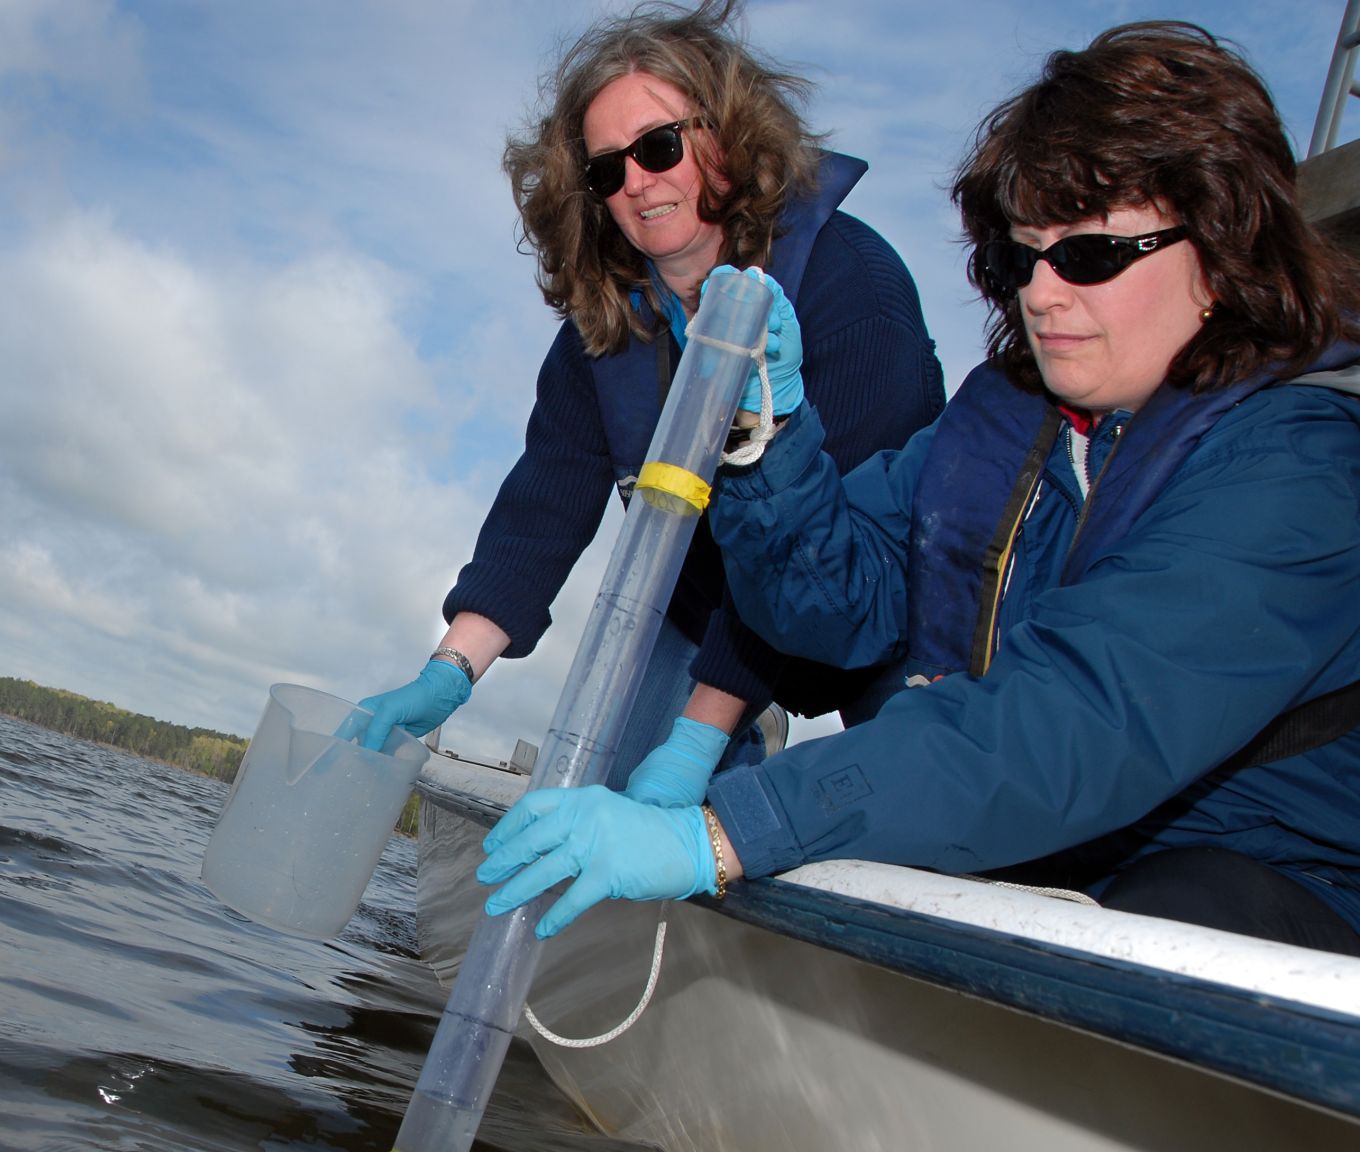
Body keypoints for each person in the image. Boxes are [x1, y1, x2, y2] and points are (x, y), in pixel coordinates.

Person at [478, 22, 1360, 956]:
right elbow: (828, 609)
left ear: (1223, 250)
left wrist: (724, 831)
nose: (1044, 295)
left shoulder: (1304, 463)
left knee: (1183, 906)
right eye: (1025, 257)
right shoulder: (1004, 419)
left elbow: (1077, 723)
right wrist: (764, 445)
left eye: (1092, 255)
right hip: (1036, 848)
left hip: (1267, 882)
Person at [356, 1, 944, 802]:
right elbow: (545, 504)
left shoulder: (856, 290)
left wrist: (700, 733)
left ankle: (746, 736)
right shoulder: (605, 325)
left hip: (884, 606)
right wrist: (449, 670)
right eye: (607, 170)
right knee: (612, 789)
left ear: (727, 136)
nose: (637, 182)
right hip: (706, 613)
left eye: (659, 146)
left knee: (911, 803)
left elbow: (825, 549)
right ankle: (730, 740)